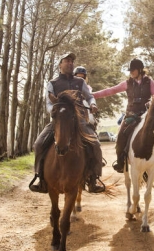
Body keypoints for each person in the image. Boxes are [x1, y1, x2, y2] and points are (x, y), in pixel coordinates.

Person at [28, 52, 105, 194]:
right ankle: (40, 178)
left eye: (72, 61)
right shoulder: (52, 83)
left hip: (79, 121)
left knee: (96, 144)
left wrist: (92, 104)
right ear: (60, 64)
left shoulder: (80, 82)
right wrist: (56, 112)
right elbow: (48, 104)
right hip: (58, 121)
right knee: (38, 144)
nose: (70, 63)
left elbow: (89, 97)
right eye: (67, 61)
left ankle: (94, 179)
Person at [93, 58, 154, 174]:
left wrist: (152, 105)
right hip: (131, 115)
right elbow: (110, 91)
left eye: (133, 70)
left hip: (147, 116)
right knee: (120, 136)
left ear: (140, 70)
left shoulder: (149, 82)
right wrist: (92, 95)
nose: (131, 72)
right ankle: (120, 162)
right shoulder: (127, 83)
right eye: (130, 70)